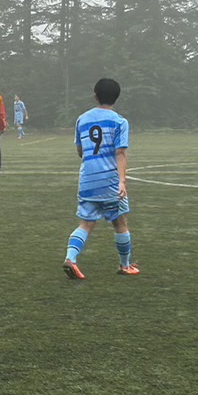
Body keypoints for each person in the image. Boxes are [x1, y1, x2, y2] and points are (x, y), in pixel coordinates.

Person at [62, 77, 139, 280]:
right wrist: (122, 181)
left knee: (86, 224)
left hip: (87, 180)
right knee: (120, 223)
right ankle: (125, 265)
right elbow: (120, 153)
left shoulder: (82, 119)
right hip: (110, 182)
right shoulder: (120, 122)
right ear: (116, 97)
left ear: (95, 96)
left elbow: (80, 151)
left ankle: (71, 258)